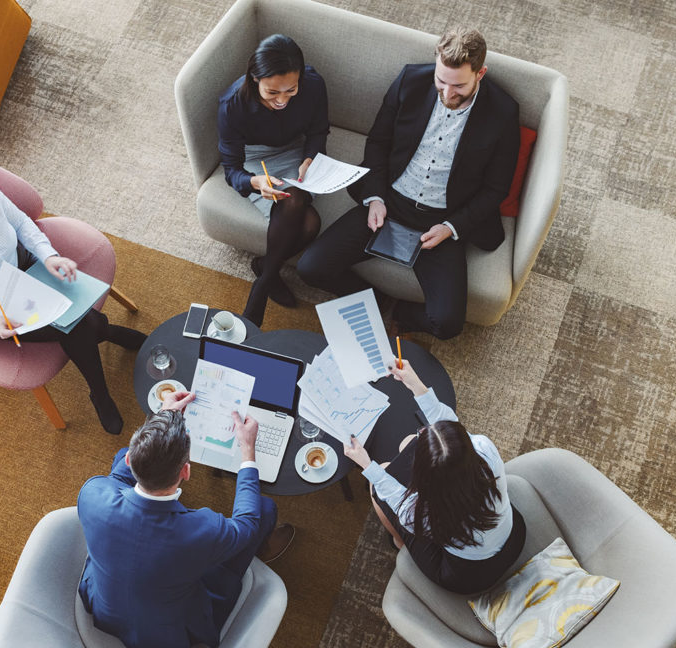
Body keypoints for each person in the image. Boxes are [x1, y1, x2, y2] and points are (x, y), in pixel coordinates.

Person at [297, 28, 520, 339]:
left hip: (442, 220)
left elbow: (496, 189)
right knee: (310, 268)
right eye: (441, 81)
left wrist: (451, 228)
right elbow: (378, 143)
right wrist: (375, 196)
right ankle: (372, 296)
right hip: (389, 200)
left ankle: (403, 313)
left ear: (480, 73)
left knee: (447, 324)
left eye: (458, 86)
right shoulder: (410, 80)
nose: (447, 94)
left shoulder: (503, 112)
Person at [0, 167, 146, 435]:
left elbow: (22, 223)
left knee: (78, 320)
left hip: (25, 265)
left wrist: (48, 256)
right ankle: (100, 386)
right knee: (78, 326)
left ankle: (106, 339)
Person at [76, 389, 295, 648]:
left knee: (119, 456)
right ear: (186, 472)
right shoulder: (202, 531)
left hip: (106, 609)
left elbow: (119, 474)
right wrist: (247, 452)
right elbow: (247, 524)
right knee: (264, 508)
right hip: (173, 633)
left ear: (131, 460)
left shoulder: (92, 493)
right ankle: (262, 551)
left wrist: (164, 418)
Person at [343, 360, 525, 594]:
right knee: (407, 443)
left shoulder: (421, 514)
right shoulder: (484, 449)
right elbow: (449, 423)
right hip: (514, 535)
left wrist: (366, 464)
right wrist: (415, 384)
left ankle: (400, 542)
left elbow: (392, 495)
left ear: (425, 477)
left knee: (377, 487)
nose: (420, 430)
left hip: (469, 574)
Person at [218, 34, 329, 327]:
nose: (282, 100)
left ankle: (264, 276)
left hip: (295, 149)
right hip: (256, 158)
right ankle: (266, 280)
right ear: (255, 78)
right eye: (272, 93)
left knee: (306, 215)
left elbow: (318, 131)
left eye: (290, 91)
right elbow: (230, 168)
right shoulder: (232, 104)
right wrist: (255, 182)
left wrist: (310, 159)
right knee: (308, 221)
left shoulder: (313, 85)